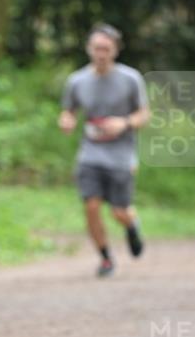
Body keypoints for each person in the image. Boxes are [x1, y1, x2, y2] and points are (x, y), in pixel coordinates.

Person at [59, 23, 150, 276]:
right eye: (97, 48)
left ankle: (132, 226)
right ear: (89, 49)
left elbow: (144, 114)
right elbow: (69, 111)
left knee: (119, 211)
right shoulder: (77, 80)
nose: (101, 53)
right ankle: (106, 258)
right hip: (90, 153)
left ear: (116, 51)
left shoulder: (131, 79)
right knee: (91, 205)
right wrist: (67, 120)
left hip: (121, 154)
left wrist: (125, 123)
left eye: (106, 49)